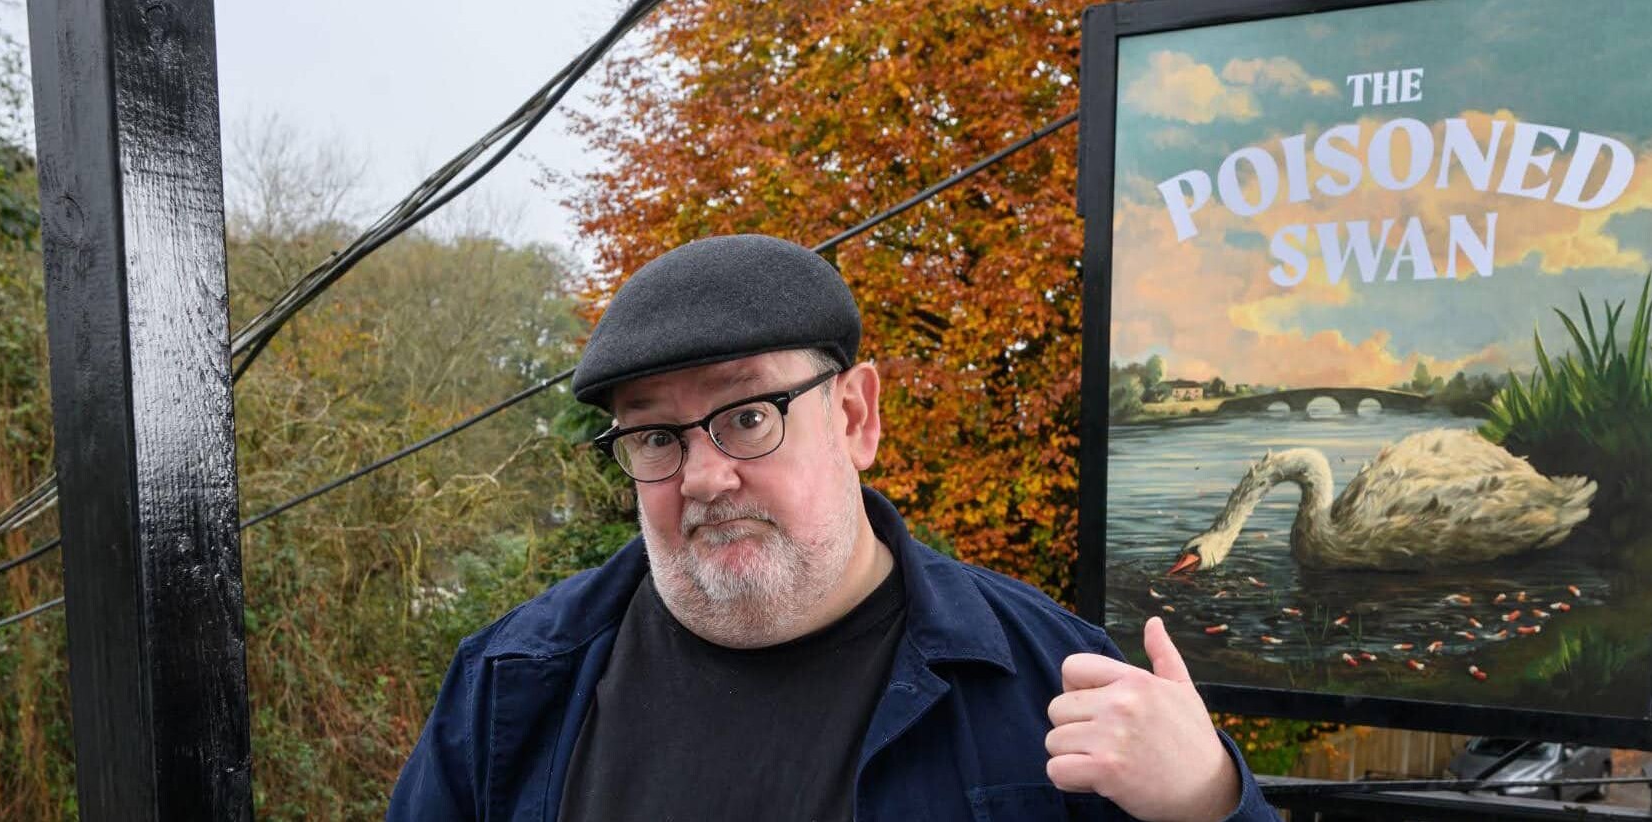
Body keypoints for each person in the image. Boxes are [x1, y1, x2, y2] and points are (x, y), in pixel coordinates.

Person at [387, 234, 1278, 821]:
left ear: (856, 416)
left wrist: (1208, 799)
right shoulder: (511, 689)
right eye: (655, 435)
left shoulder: (1052, 687)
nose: (702, 475)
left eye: (747, 416)